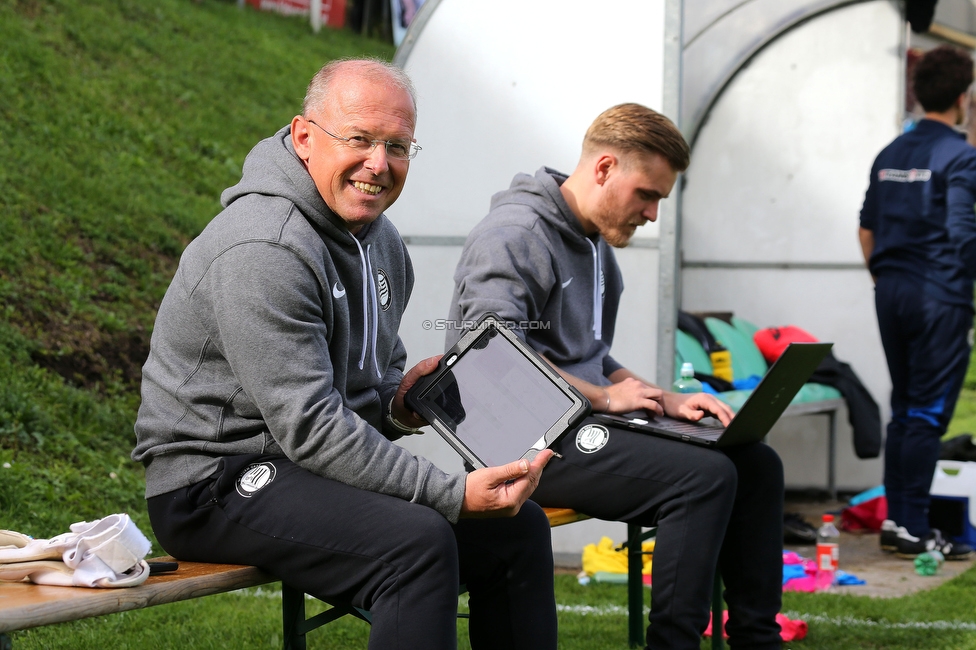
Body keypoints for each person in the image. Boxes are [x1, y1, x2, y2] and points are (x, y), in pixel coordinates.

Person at [132, 58, 557, 650]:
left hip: (302, 465)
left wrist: (401, 405)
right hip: (213, 481)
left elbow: (366, 391)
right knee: (417, 544)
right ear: (305, 138)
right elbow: (309, 424)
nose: (378, 164)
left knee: (519, 530)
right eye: (358, 139)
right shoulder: (265, 246)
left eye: (398, 145)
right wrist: (450, 492)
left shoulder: (381, 242)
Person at [448, 103, 785, 649]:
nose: (652, 214)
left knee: (756, 462)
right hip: (515, 440)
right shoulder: (513, 234)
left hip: (575, 421)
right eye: (647, 195)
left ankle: (757, 640)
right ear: (604, 168)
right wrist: (606, 398)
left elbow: (592, 354)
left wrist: (660, 398)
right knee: (704, 478)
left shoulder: (595, 242)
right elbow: (490, 358)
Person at [858, 44, 976, 561]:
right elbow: (963, 234)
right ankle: (914, 525)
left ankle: (897, 523)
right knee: (925, 415)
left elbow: (866, 230)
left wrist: (887, 279)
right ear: (962, 98)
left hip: (891, 291)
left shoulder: (890, 153)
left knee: (904, 408)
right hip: (938, 297)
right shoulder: (962, 155)